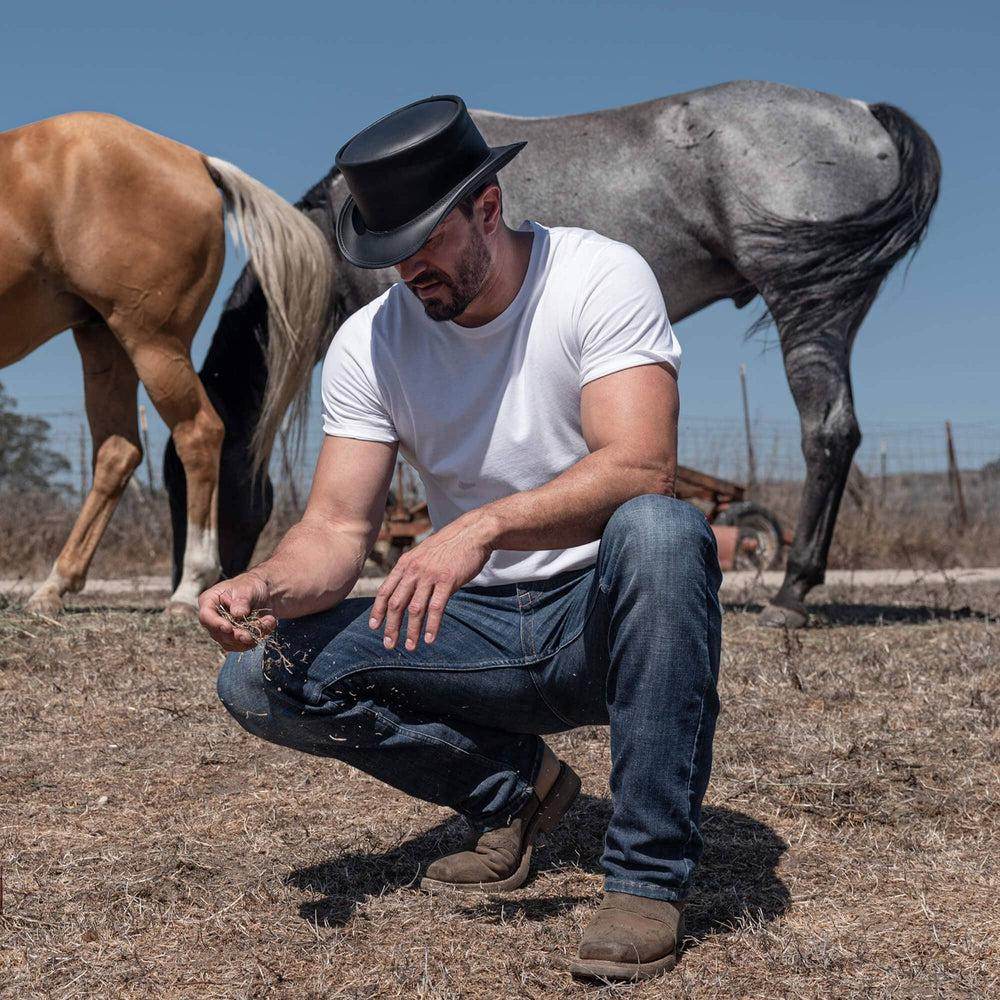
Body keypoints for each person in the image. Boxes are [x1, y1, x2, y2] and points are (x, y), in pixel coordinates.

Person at [201, 95, 722, 983]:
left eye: (426, 243)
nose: (410, 271)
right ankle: (516, 795)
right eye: (389, 252)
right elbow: (336, 528)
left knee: (663, 532)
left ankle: (644, 882)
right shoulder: (369, 343)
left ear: (488, 207)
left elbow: (642, 466)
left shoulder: (598, 276)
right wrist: (267, 585)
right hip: (471, 635)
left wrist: (482, 526)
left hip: (597, 621)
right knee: (259, 677)